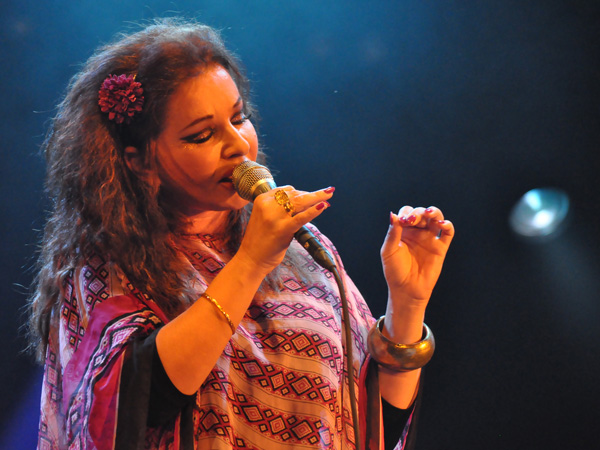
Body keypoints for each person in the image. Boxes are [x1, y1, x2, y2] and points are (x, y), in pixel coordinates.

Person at [27, 18, 454, 450]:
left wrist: (407, 304)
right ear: (140, 162)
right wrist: (250, 263)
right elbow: (129, 408)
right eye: (202, 135)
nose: (237, 145)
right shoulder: (108, 269)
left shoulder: (306, 251)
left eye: (239, 117)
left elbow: (371, 422)